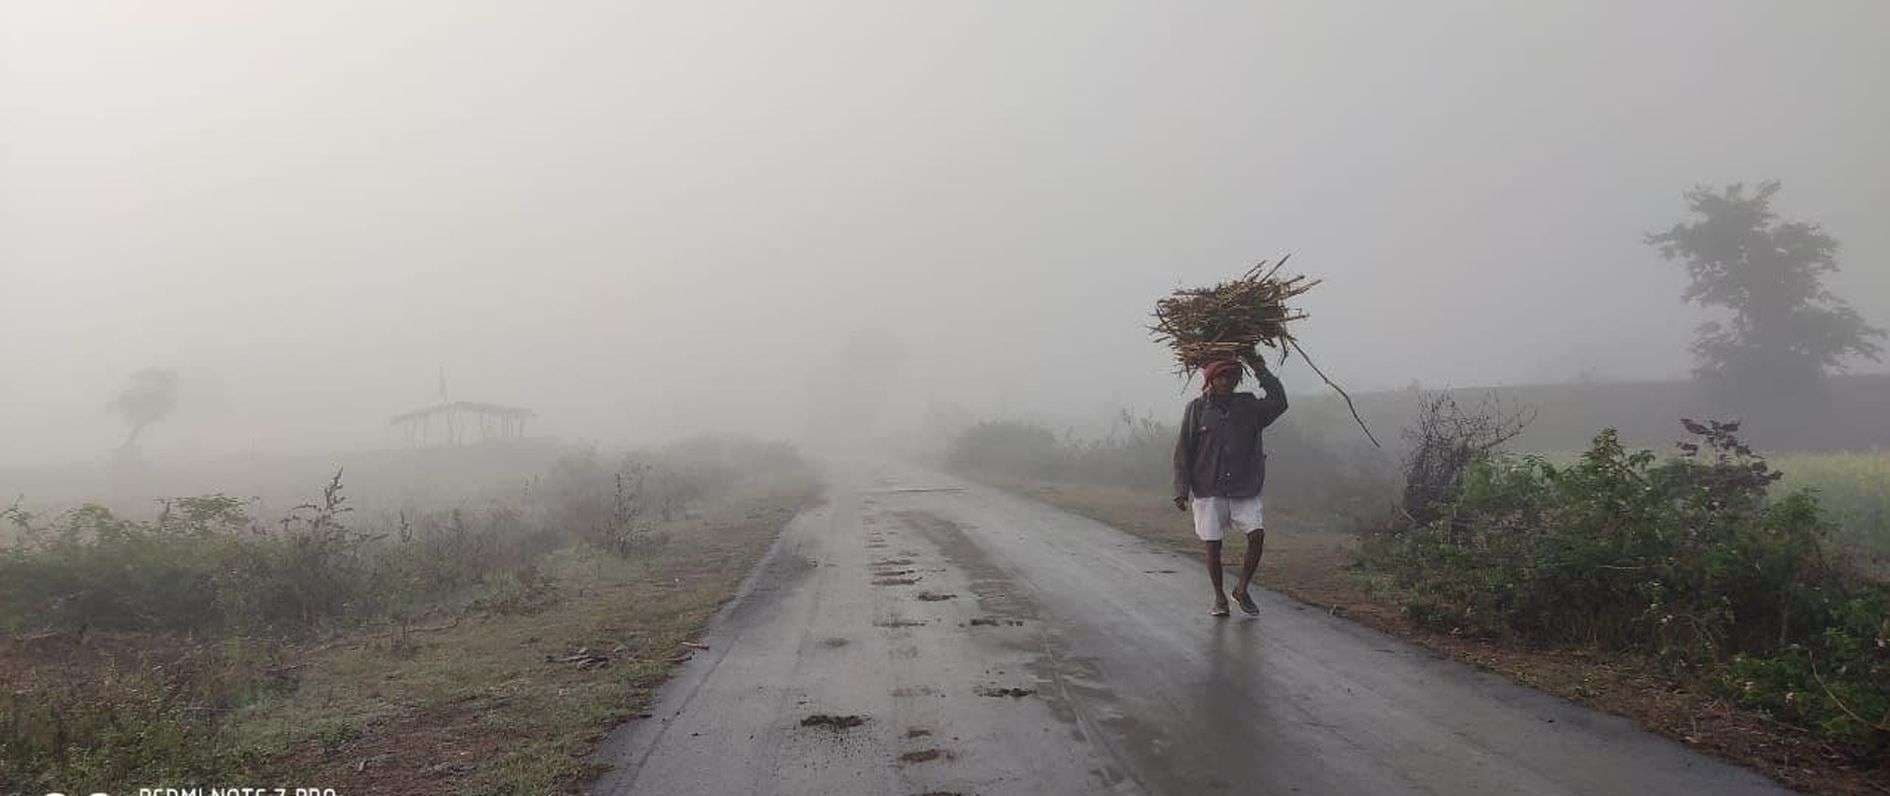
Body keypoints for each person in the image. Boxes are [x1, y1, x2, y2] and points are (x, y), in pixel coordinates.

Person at [1171, 351, 1287, 617]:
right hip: (1207, 486)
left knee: (1257, 535)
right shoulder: (1197, 409)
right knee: (1213, 545)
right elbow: (1183, 450)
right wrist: (1181, 489)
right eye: (1222, 375)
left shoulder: (1248, 406)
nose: (1227, 380)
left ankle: (1242, 589)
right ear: (1211, 379)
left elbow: (1279, 402)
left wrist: (1261, 370)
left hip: (1244, 485)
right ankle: (1219, 597)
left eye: (1233, 375)